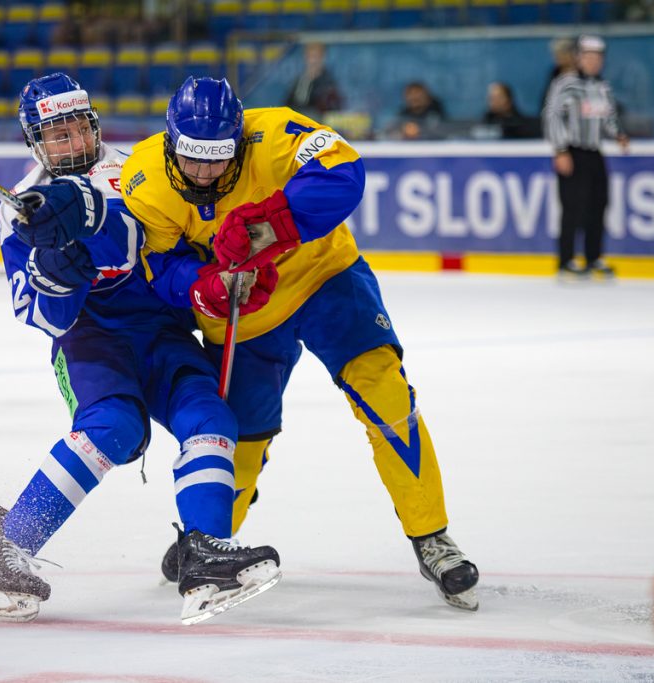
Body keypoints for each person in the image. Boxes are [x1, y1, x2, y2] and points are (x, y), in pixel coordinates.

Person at [121, 76, 480, 611]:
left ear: (241, 143)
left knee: (385, 394)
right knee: (240, 436)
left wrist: (268, 227)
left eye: (219, 159)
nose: (204, 175)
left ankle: (431, 536)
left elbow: (345, 171)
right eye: (192, 160)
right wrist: (203, 287)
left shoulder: (278, 132)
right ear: (169, 143)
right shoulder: (144, 178)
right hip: (245, 312)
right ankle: (210, 539)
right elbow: (160, 264)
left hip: (324, 278)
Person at [0, 73, 281, 625]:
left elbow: (165, 252)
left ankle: (203, 554)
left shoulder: (140, 173)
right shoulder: (21, 210)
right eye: (56, 135)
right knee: (115, 426)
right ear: (35, 142)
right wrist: (59, 272)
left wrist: (207, 281)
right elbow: (38, 314)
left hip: (161, 332)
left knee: (211, 415)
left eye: (78, 129)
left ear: (94, 125)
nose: (71, 144)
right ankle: (5, 551)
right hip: (91, 340)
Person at [542, 34, 630, 278]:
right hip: (572, 150)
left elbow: (608, 117)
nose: (593, 61)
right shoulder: (566, 83)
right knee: (572, 207)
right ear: (579, 58)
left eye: (597, 57)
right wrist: (560, 150)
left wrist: (619, 134)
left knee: (598, 205)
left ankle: (593, 257)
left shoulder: (602, 86)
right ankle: (566, 260)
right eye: (588, 56)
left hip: (594, 151)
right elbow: (552, 116)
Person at [285, 42, 343, 117]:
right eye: (310, 56)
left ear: (322, 58)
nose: (313, 61)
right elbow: (288, 103)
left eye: (316, 56)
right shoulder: (299, 80)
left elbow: (329, 108)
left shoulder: (327, 82)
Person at [539, 37, 577, 111]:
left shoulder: (582, 74)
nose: (557, 57)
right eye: (555, 54)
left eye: (560, 53)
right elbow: (547, 101)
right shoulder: (554, 74)